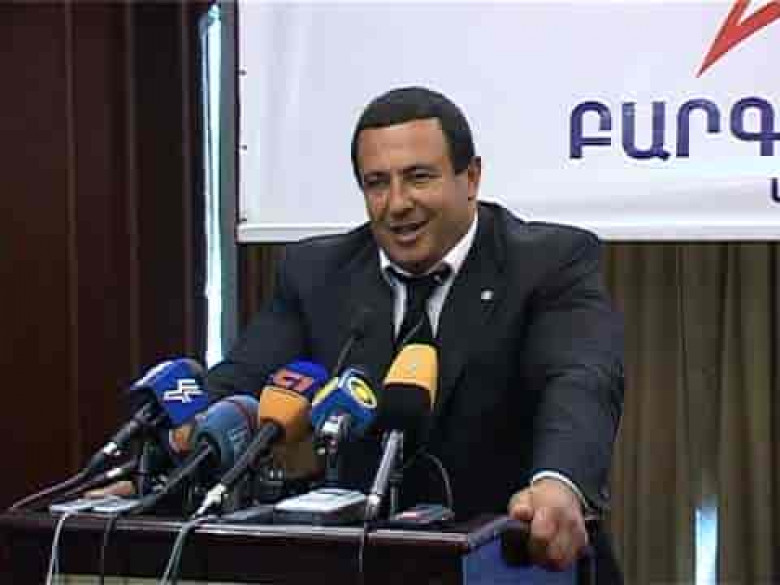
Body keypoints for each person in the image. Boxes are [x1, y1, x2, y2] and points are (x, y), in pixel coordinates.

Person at [206, 87, 624, 581]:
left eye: (418, 177)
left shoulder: (548, 262)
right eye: (377, 183)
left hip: (514, 562)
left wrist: (559, 482)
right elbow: (241, 380)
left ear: (471, 178)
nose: (397, 204)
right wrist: (170, 450)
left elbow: (580, 379)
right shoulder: (317, 273)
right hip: (369, 567)